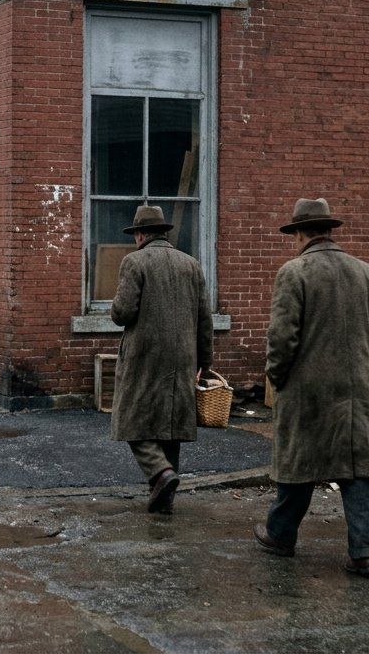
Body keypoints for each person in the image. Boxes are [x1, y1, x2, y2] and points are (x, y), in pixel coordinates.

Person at [255, 197, 369, 579]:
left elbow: (282, 338)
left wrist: (276, 378)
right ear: (329, 231)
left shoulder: (294, 272)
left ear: (299, 233)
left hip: (307, 390)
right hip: (358, 391)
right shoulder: (365, 272)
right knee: (358, 470)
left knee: (299, 464)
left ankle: (280, 535)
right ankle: (365, 552)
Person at [109, 204, 214, 515]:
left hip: (144, 354)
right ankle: (163, 497)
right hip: (184, 355)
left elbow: (122, 313)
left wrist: (115, 306)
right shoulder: (191, 265)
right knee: (171, 422)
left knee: (131, 418)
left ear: (140, 235)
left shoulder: (134, 262)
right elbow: (204, 318)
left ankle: (161, 474)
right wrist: (204, 362)